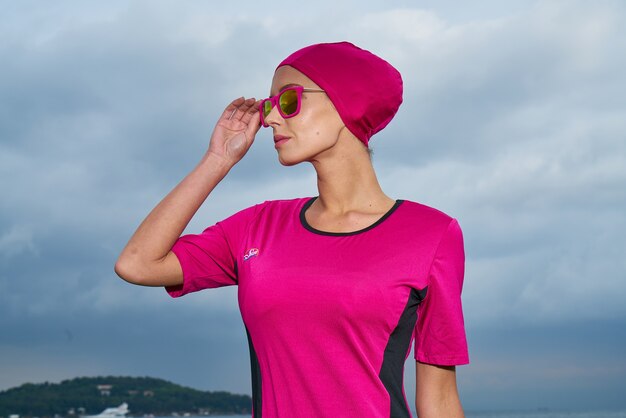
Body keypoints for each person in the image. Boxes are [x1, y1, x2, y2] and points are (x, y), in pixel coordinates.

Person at [115, 41, 469, 418]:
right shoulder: (256, 228)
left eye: (288, 101)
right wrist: (217, 160)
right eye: (269, 106)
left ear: (346, 102)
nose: (269, 119)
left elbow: (439, 399)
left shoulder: (431, 234)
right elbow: (138, 263)